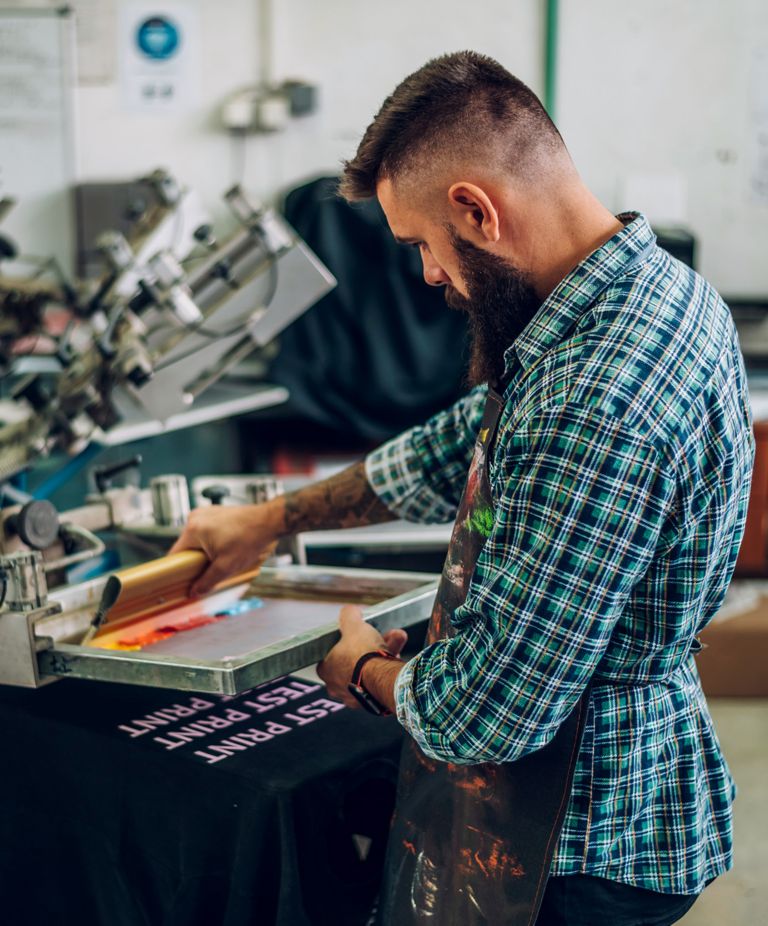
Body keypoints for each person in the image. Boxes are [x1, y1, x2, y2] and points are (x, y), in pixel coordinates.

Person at [171, 51, 754, 926]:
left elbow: (485, 716)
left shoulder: (599, 399)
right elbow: (465, 443)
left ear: (476, 210)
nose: (427, 278)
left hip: (576, 845)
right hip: (606, 807)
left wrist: (361, 666)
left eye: (421, 247)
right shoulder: (647, 290)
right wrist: (270, 519)